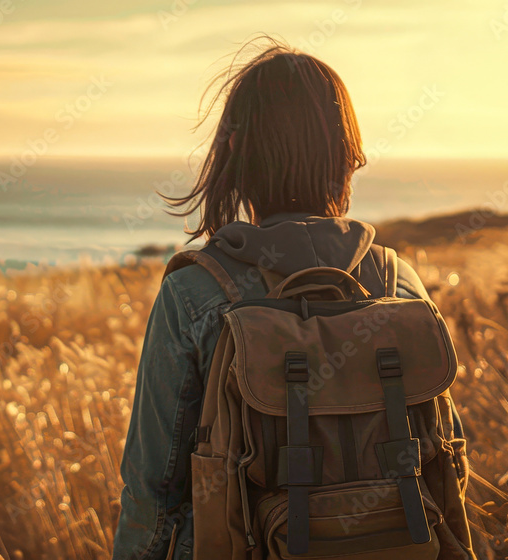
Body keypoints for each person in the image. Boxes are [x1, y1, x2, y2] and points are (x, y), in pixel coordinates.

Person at [111, 37, 463, 559]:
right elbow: (448, 459)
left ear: (235, 152)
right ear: (346, 155)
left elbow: (154, 491)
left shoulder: (195, 291)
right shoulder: (398, 282)